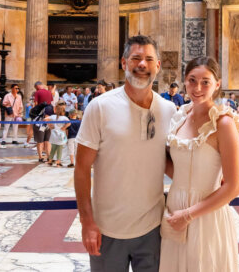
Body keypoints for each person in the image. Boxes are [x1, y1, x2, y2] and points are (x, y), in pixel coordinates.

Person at [74, 35, 176, 271]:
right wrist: (87, 222)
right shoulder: (100, 107)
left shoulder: (169, 110)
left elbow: (171, 162)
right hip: (106, 229)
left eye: (149, 59)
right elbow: (81, 169)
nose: (142, 65)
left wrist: (207, 179)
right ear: (124, 63)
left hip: (153, 229)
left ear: (158, 66)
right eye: (136, 58)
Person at [159, 56, 239, 271]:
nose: (197, 88)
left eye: (205, 81)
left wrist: (188, 215)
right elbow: (178, 169)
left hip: (206, 214)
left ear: (217, 84)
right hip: (174, 210)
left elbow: (233, 187)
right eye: (192, 80)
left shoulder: (223, 123)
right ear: (184, 81)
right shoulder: (180, 118)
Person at [33, 81, 54, 162]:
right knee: (47, 139)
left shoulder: (37, 92)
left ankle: (40, 157)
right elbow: (51, 104)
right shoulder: (49, 92)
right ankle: (49, 156)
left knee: (40, 140)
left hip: (40, 120)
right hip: (49, 119)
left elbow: (36, 104)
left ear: (37, 86)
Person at [46, 101, 70, 167]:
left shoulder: (53, 117)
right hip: (60, 135)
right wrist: (64, 127)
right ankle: (58, 162)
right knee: (59, 149)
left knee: (53, 148)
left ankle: (50, 161)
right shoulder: (65, 118)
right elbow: (69, 123)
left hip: (53, 135)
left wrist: (50, 125)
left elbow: (45, 119)